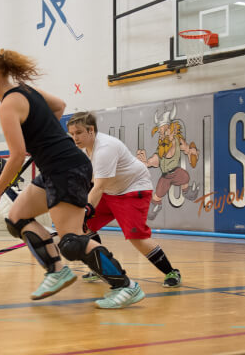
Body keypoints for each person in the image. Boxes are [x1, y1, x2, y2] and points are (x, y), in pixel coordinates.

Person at [0, 49, 144, 309]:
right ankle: (56, 271)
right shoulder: (26, 90)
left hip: (67, 169)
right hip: (56, 168)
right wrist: (42, 135)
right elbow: (60, 105)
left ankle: (125, 286)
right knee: (17, 219)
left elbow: (16, 156)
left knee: (72, 242)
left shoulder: (8, 105)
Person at [66, 112, 182, 288]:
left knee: (136, 236)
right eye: (72, 133)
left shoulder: (105, 148)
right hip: (111, 189)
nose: (75, 137)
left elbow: (98, 187)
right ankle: (101, 268)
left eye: (79, 133)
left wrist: (86, 209)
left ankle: (171, 272)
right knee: (85, 226)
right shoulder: (83, 149)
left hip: (132, 189)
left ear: (91, 130)